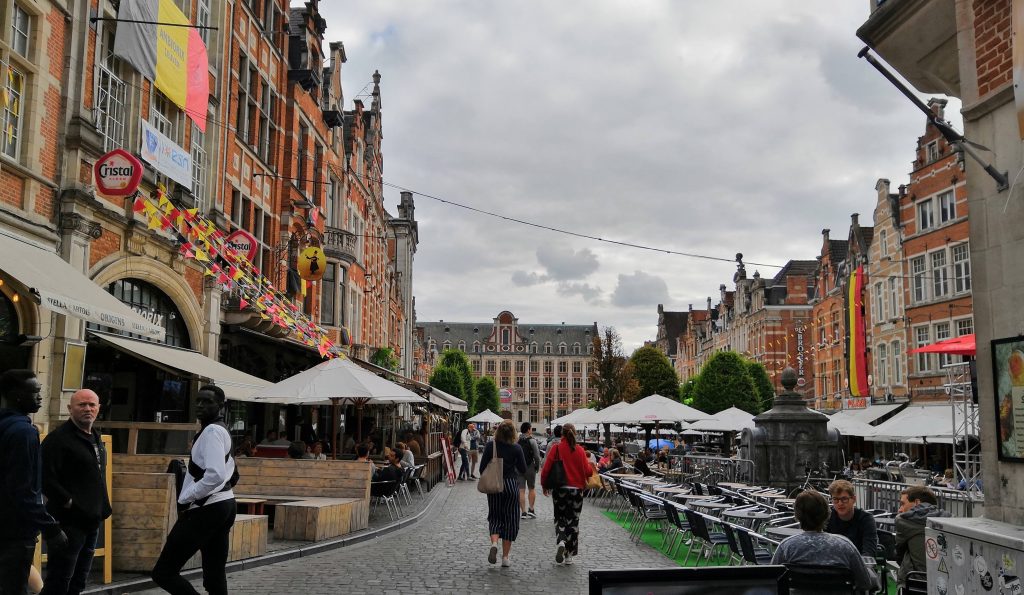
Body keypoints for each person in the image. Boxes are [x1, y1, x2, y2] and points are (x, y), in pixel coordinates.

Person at [152, 385, 238, 595]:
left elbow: (215, 474)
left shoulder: (212, 431)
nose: (200, 405)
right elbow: (232, 472)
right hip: (224, 504)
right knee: (214, 572)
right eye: (198, 400)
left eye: (207, 401)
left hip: (207, 507)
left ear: (220, 405)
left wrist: (186, 498)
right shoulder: (220, 428)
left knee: (164, 572)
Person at [0, 370, 67, 595]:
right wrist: (51, 528)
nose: (40, 397)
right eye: (35, 392)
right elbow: (24, 489)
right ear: (17, 395)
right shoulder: (23, 432)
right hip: (14, 530)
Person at [40, 388, 113, 595]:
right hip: (68, 523)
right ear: (70, 408)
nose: (87, 409)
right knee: (59, 579)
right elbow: (45, 478)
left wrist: (101, 508)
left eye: (92, 405)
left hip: (92, 521)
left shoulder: (95, 437)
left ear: (99, 408)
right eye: (82, 405)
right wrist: (69, 502)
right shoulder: (58, 440)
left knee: (79, 580)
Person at [771, 490, 877, 592]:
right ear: (827, 514)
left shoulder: (786, 547)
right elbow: (865, 583)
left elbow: (771, 579)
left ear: (797, 516)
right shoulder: (846, 546)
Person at [541, 423, 595, 566]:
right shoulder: (580, 450)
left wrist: (544, 485)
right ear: (574, 433)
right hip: (576, 491)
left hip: (560, 489)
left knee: (560, 518)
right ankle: (569, 555)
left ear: (562, 434)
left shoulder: (556, 448)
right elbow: (588, 472)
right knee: (573, 521)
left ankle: (561, 541)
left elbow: (546, 468)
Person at [479, 420, 527, 568]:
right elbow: (523, 469)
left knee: (495, 516)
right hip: (511, 485)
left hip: (495, 486)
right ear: (513, 433)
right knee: (511, 519)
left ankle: (494, 543)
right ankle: (505, 557)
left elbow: (482, 469)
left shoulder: (490, 446)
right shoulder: (516, 448)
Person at [896, 486, 949, 586]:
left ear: (917, 502)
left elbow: (900, 552)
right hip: (945, 581)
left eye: (903, 504)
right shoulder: (950, 519)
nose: (900, 509)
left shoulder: (903, 521)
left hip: (915, 582)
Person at [825, 479, 878, 557]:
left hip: (857, 564)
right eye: (835, 499)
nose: (840, 503)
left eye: (844, 499)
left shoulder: (866, 519)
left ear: (854, 499)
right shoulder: (827, 517)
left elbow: (869, 552)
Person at [517, 422, 541, 519]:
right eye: (531, 429)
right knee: (531, 488)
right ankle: (531, 509)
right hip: (530, 467)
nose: (531, 430)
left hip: (519, 467)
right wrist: (537, 467)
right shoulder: (532, 441)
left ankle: (523, 512)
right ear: (528, 430)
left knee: (521, 490)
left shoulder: (517, 440)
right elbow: (536, 456)